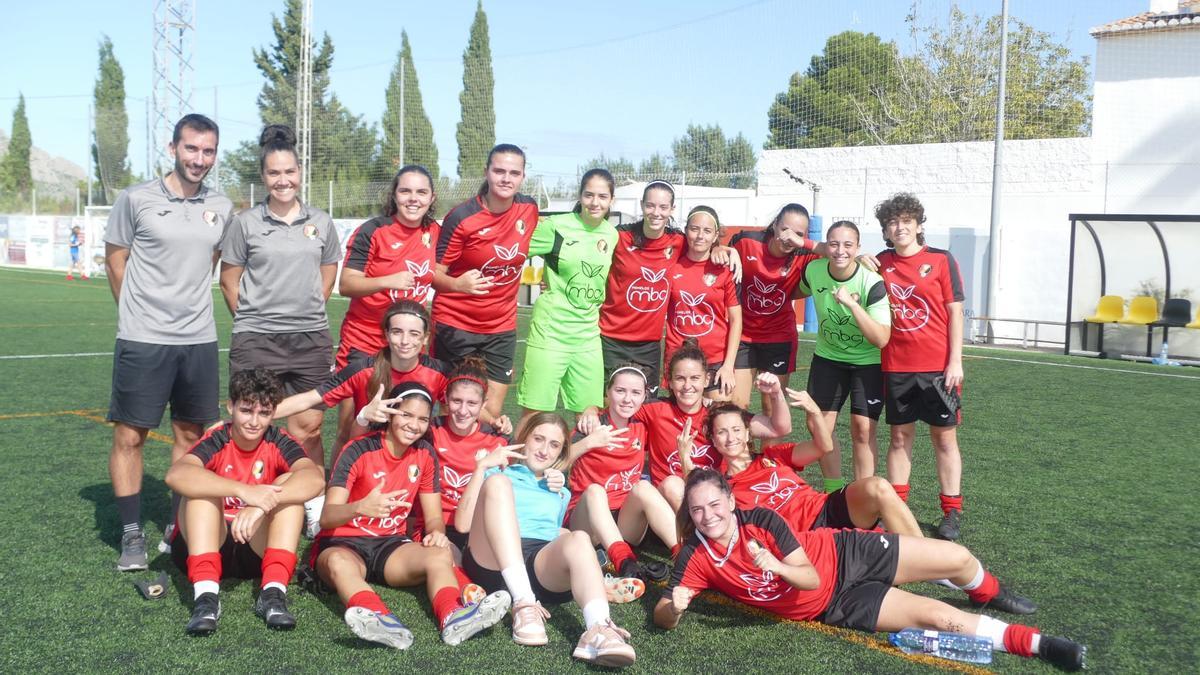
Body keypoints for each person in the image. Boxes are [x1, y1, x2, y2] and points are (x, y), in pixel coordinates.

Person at [654, 470, 1086, 672]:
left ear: (730, 501)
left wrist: (777, 565)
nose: (708, 516)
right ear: (690, 513)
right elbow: (662, 616)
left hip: (845, 554)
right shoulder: (695, 555)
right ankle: (1041, 645)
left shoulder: (763, 521)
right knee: (936, 616)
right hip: (838, 605)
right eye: (698, 509)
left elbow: (809, 576)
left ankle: (986, 590)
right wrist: (673, 608)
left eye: (715, 504)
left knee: (956, 559)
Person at [104, 113, 233, 571]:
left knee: (192, 436)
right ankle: (132, 532)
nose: (199, 159)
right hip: (143, 338)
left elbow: (214, 263)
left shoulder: (221, 205)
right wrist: (136, 315)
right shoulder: (135, 198)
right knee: (130, 435)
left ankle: (178, 527)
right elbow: (116, 261)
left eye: (208, 151)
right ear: (173, 147)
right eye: (191, 148)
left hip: (198, 339)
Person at [312, 383, 511, 649]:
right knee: (338, 563)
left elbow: (433, 517)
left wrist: (437, 533)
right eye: (406, 415)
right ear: (392, 413)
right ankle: (380, 619)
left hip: (390, 546)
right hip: (343, 544)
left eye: (422, 419)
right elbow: (326, 517)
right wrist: (359, 507)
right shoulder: (358, 449)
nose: (413, 425)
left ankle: (453, 616)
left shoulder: (425, 454)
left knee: (441, 554)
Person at [454, 413, 640, 667]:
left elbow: (555, 536)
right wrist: (481, 468)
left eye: (554, 445)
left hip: (538, 566)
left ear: (561, 451)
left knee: (579, 538)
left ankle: (599, 629)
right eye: (538, 439)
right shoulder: (496, 473)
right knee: (500, 484)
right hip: (492, 559)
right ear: (524, 438)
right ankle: (524, 604)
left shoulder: (559, 490)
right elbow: (462, 524)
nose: (544, 450)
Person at [163, 368, 324, 635]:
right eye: (247, 410)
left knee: (289, 490)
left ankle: (273, 594)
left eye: (264, 413)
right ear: (231, 407)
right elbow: (176, 474)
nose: (254, 421)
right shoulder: (218, 438)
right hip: (208, 541)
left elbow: (315, 479)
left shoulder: (279, 440)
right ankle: (206, 599)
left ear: (273, 413)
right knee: (201, 490)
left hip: (254, 548)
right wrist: (243, 491)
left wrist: (261, 504)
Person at [219, 124, 341, 472]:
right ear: (263, 176)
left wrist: (313, 302)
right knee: (252, 426)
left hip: (311, 340)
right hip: (257, 339)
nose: (282, 179)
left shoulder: (320, 221)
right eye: (274, 172)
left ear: (299, 173)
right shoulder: (245, 223)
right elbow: (229, 281)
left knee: (309, 429)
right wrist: (251, 320)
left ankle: (310, 503)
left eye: (289, 171)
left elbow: (329, 266)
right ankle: (247, 498)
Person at [579, 341, 791, 511]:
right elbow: (619, 406)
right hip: (668, 503)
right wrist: (590, 409)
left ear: (706, 379)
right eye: (680, 379)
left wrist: (776, 393)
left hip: (712, 498)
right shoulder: (654, 409)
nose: (687, 386)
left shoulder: (718, 413)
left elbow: (778, 429)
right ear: (669, 382)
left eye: (695, 378)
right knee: (673, 483)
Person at [333, 165, 440, 470]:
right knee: (353, 424)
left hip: (407, 348)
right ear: (394, 195)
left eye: (421, 192)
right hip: (364, 342)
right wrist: (387, 280)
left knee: (404, 423)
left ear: (431, 198)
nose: (413, 199)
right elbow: (348, 284)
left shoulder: (434, 233)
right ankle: (336, 495)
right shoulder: (373, 230)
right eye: (405, 191)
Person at [874, 193, 968, 540]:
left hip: (938, 368)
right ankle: (897, 510)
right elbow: (843, 257)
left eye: (906, 221)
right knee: (899, 437)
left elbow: (955, 312)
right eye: (893, 222)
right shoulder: (879, 262)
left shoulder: (941, 260)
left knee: (944, 440)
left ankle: (951, 511)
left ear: (918, 225)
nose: (899, 227)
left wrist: (955, 361)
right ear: (886, 229)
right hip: (896, 365)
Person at [708, 398, 924, 539]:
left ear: (747, 434)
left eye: (736, 430)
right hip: (808, 537)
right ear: (713, 440)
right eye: (722, 432)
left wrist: (814, 412)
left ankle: (935, 560)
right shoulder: (723, 489)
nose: (731, 438)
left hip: (825, 507)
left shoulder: (773, 456)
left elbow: (823, 446)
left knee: (878, 487)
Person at [433, 144, 541, 422]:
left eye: (514, 172)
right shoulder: (462, 217)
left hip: (501, 328)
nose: (506, 178)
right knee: (453, 409)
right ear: (487, 172)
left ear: (523, 177)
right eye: (499, 171)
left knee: (490, 413)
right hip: (456, 323)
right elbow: (432, 273)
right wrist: (458, 285)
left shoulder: (529, 209)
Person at [598, 181, 740, 393]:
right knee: (609, 406)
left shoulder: (677, 241)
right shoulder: (620, 236)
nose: (656, 212)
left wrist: (726, 250)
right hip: (611, 339)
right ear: (642, 205)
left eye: (663, 207)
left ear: (672, 210)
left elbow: (702, 241)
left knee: (646, 410)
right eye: (650, 205)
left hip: (649, 346)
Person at [273, 300, 451, 464]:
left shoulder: (439, 373)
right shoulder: (363, 370)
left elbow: (467, 406)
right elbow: (310, 398)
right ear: (386, 334)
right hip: (366, 455)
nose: (405, 341)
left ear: (426, 337)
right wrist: (260, 414)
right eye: (397, 332)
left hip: (413, 456)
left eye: (414, 334)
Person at [795, 219, 891, 488]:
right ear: (826, 246)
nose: (840, 251)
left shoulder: (871, 282)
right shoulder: (814, 270)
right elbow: (792, 290)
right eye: (834, 244)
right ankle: (834, 491)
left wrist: (851, 304)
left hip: (867, 363)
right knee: (820, 427)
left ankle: (863, 496)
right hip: (828, 359)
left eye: (848, 245)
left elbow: (881, 338)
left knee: (863, 430)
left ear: (858, 247)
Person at [517, 169, 618, 419]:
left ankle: (579, 460)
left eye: (602, 196)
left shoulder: (612, 234)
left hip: (587, 338)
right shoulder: (556, 226)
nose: (595, 202)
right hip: (550, 334)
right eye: (589, 195)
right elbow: (512, 251)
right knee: (534, 415)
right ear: (580, 196)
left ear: (611, 200)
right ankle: (520, 461)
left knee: (589, 415)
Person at [566, 364, 676, 582]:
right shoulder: (590, 425)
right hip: (588, 523)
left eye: (635, 393)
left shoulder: (642, 425)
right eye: (620, 391)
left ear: (645, 396)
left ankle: (685, 556)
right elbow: (557, 461)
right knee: (596, 491)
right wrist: (590, 442)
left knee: (644, 487)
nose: (627, 399)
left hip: (626, 521)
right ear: (607, 393)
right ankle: (625, 561)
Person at [730, 203, 822, 431]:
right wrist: (722, 250)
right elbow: (720, 253)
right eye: (785, 229)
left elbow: (837, 252)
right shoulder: (746, 242)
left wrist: (805, 243)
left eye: (798, 234)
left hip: (779, 338)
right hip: (744, 337)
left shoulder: (804, 255)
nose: (789, 237)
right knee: (736, 405)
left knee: (772, 407)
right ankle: (742, 462)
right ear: (774, 226)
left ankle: (770, 463)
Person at [664, 206, 741, 401]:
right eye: (694, 229)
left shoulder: (724, 270)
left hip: (716, 359)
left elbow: (736, 320)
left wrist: (728, 365)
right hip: (678, 358)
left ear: (716, 235)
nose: (700, 236)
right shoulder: (671, 266)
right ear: (686, 230)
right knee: (680, 422)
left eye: (707, 231)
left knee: (720, 420)